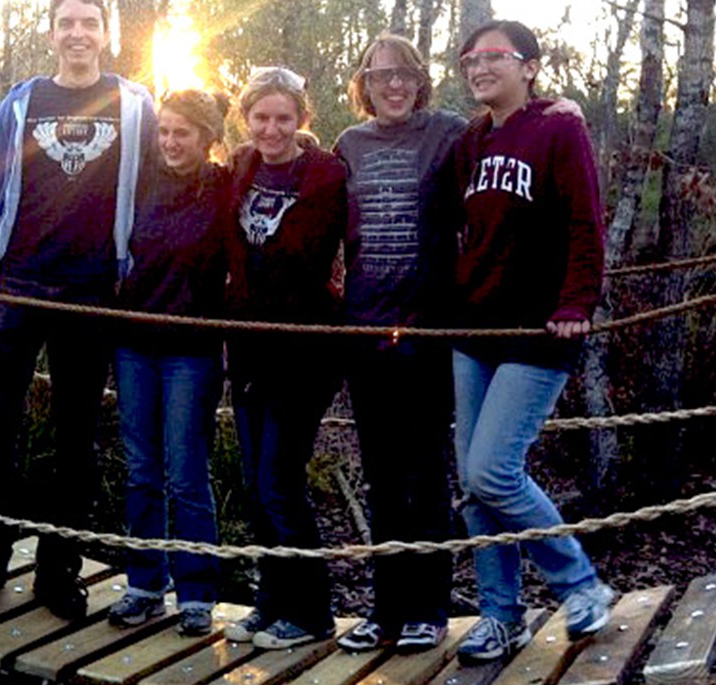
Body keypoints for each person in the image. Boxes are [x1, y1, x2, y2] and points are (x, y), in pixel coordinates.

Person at [0, 0, 157, 619]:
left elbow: (156, 193)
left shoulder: (136, 105)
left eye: (90, 23)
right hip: (14, 287)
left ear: (106, 34)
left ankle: (59, 571)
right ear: (53, 32)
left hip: (92, 294)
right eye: (68, 22)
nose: (79, 33)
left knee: (76, 441)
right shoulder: (21, 103)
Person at [441, 20, 613, 662]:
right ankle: (500, 615)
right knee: (472, 481)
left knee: (492, 469)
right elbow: (454, 225)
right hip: (474, 327)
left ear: (530, 66)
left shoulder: (557, 128)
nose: (479, 69)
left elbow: (583, 219)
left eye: (493, 57)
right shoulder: (470, 142)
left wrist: (576, 301)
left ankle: (582, 585)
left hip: (539, 329)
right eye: (469, 61)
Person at [331, 33, 465, 652]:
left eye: (404, 74)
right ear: (364, 84)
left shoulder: (450, 134)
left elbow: (505, 162)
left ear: (419, 80)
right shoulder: (349, 145)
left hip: (429, 331)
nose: (393, 85)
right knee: (382, 475)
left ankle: (428, 609)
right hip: (364, 332)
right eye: (380, 75)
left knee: (426, 471)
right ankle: (385, 609)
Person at [219, 67, 347, 650]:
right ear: (247, 120)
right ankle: (271, 602)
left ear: (302, 120)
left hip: (303, 349)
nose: (272, 129)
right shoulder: (241, 167)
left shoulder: (322, 174)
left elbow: (301, 255)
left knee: (279, 481)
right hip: (248, 349)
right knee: (253, 481)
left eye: (284, 118)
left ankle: (313, 610)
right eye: (262, 117)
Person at [106, 89, 232, 636]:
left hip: (191, 351)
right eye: (164, 131)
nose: (170, 142)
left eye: (182, 132)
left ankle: (198, 593)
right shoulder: (141, 182)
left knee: (186, 474)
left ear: (206, 138)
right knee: (141, 471)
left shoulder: (224, 187)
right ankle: (144, 583)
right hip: (134, 341)